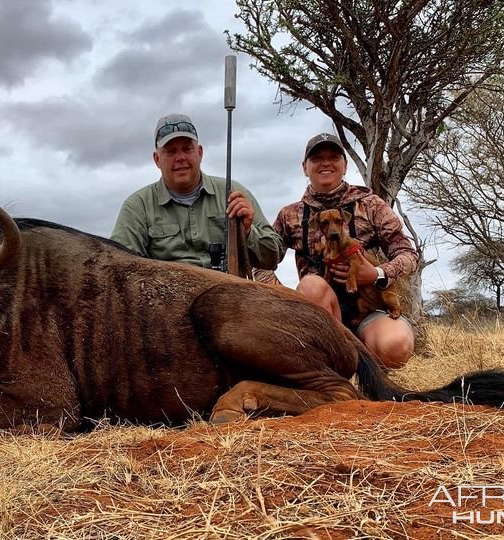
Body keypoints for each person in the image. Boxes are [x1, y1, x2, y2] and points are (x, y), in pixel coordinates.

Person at [255, 133, 418, 369]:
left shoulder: (370, 205)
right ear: (305, 167)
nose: (326, 163)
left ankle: (369, 377)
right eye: (317, 158)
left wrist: (377, 274)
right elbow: (261, 260)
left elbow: (409, 255)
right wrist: (285, 298)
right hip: (320, 313)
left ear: (344, 165)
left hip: (369, 311)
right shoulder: (289, 215)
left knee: (396, 346)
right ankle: (329, 373)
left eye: (333, 156)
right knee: (312, 286)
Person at [110, 113, 283, 271]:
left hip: (229, 296)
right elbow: (118, 268)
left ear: (199, 153)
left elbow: (273, 257)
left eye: (187, 149)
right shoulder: (137, 207)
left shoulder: (233, 194)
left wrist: (247, 231)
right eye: (171, 151)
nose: (180, 158)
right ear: (157, 159)